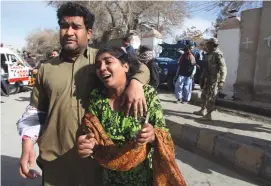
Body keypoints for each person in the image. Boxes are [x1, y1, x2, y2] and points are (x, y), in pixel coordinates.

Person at [17, 2, 150, 186]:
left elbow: (141, 67)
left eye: (76, 27)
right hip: (56, 160)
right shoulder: (46, 69)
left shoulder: (101, 60)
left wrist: (136, 83)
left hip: (97, 159)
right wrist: (27, 146)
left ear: (89, 33)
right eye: (64, 26)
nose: (69, 32)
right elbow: (36, 110)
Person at [77, 46, 186, 186]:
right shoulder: (97, 98)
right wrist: (89, 144)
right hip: (109, 179)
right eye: (98, 65)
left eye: (108, 62)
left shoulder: (147, 95)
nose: (102, 68)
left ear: (125, 66)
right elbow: (93, 135)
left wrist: (152, 135)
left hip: (143, 178)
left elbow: (165, 135)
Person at [193, 38, 227, 120]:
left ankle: (209, 115)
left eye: (209, 43)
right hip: (206, 78)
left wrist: (222, 81)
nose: (207, 45)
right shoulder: (208, 54)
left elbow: (223, 68)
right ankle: (202, 110)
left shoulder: (218, 54)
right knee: (203, 95)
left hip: (214, 80)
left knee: (211, 97)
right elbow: (205, 68)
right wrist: (201, 78)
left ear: (213, 44)